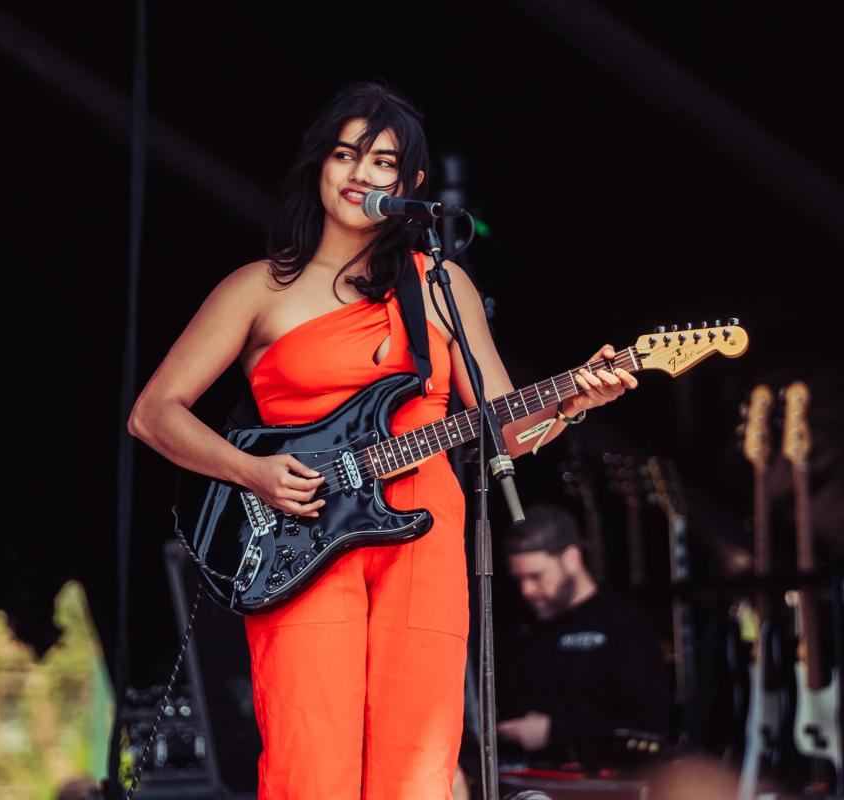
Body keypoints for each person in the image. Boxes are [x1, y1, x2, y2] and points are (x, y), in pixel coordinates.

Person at [127, 80, 636, 799]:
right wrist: (251, 471)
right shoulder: (260, 288)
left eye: (382, 162)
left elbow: (504, 430)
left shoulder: (441, 285)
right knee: (311, 756)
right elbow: (154, 413)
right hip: (302, 527)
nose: (359, 174)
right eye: (345, 155)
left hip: (425, 527)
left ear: (411, 183)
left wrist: (574, 401)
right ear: (319, 165)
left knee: (416, 765)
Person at [497, 504, 669, 769]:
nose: (526, 590)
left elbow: (650, 727)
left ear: (571, 558)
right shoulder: (520, 628)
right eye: (519, 579)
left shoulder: (622, 625)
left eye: (536, 576)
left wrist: (554, 733)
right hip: (527, 777)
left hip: (606, 778)